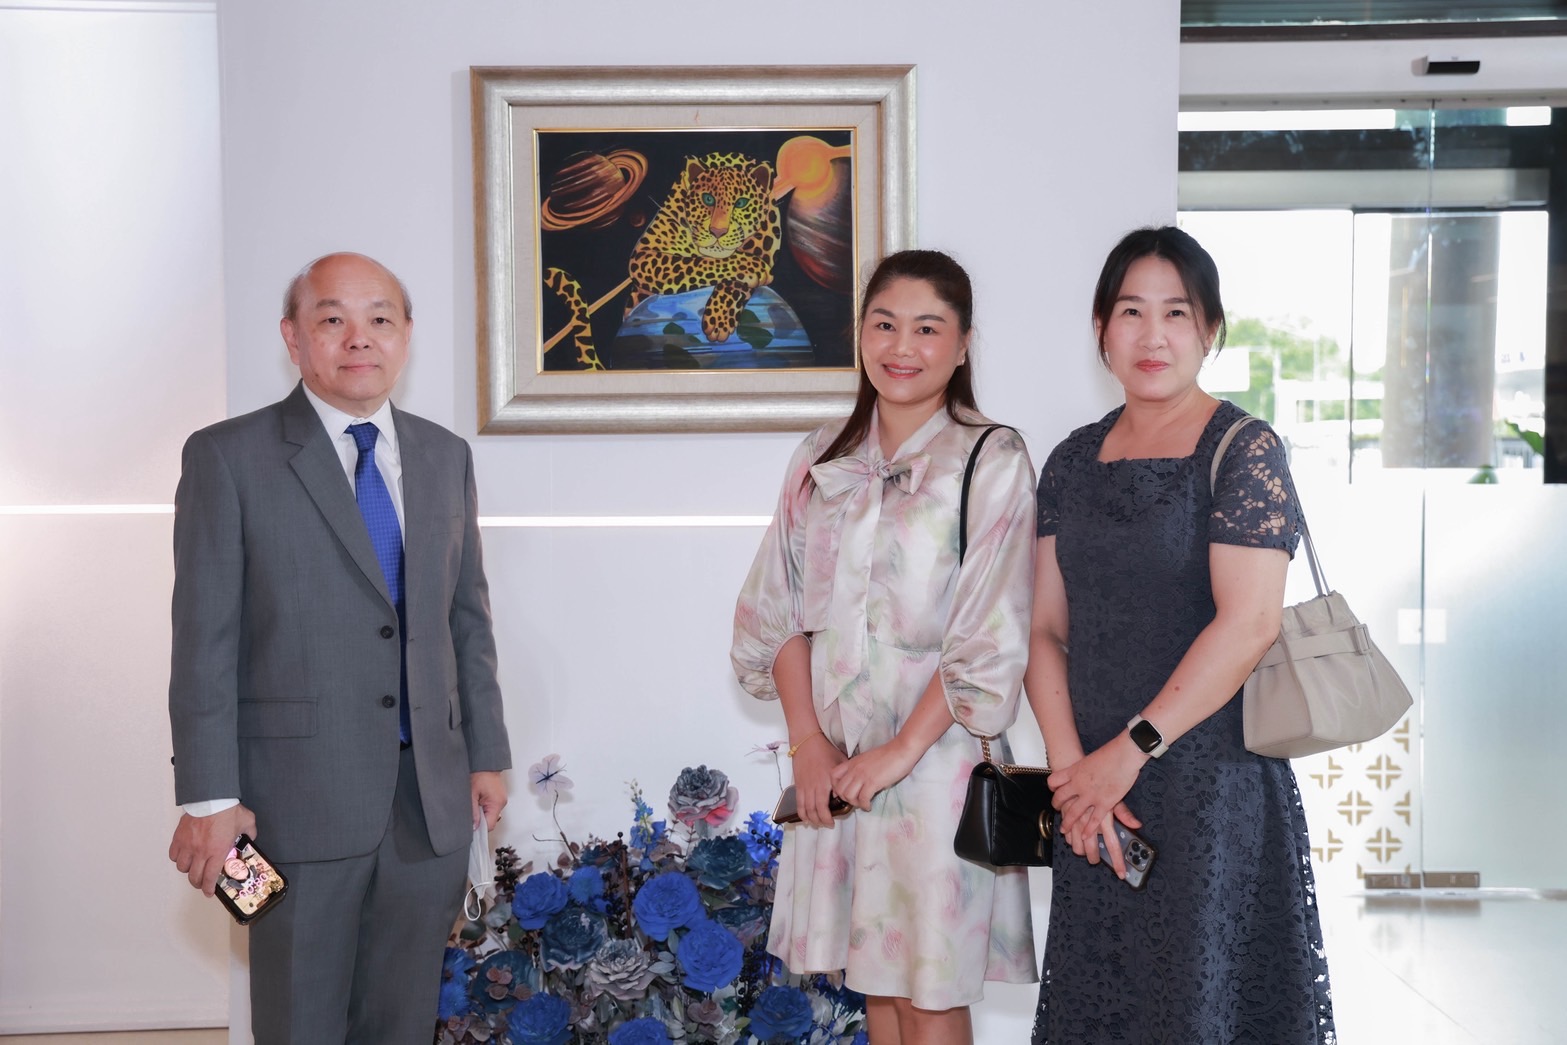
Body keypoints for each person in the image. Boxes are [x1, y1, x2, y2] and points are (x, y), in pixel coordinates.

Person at [166, 252, 512, 1044]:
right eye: (332, 319)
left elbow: (467, 618)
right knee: (301, 1024)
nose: (359, 338)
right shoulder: (227, 456)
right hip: (290, 807)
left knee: (401, 1024)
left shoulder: (444, 454)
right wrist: (210, 800)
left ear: (406, 334)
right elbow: (203, 641)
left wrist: (486, 755)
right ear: (293, 337)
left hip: (428, 805)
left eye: (379, 318)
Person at [1026, 226, 1335, 1043]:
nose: (1152, 335)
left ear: (1209, 330)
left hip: (1209, 789)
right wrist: (1073, 776)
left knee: (1195, 1012)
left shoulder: (1243, 450)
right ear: (1100, 328)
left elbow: (1249, 622)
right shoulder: (1070, 461)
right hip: (1096, 798)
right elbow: (1043, 629)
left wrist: (1127, 751)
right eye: (1131, 311)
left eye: (1176, 312)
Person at [732, 250, 1038, 1045]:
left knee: (930, 992)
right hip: (838, 766)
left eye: (927, 328)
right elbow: (777, 610)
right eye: (885, 324)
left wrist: (898, 752)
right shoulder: (819, 456)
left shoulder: (991, 457)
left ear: (962, 344)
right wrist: (808, 745)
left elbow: (988, 630)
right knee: (875, 985)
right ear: (860, 334)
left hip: (937, 762)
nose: (902, 346)